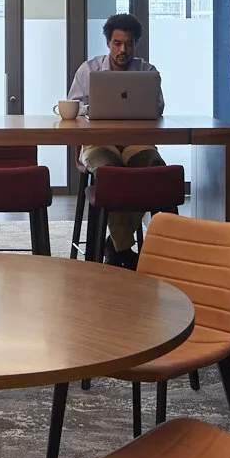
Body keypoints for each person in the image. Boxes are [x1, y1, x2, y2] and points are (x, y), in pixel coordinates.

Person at [66, 13, 164, 267]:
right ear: (108, 43)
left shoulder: (147, 72)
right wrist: (95, 107)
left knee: (152, 170)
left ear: (135, 44)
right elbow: (74, 106)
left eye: (129, 44)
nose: (124, 50)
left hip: (137, 142)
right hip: (99, 142)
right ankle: (122, 246)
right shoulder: (89, 70)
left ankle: (116, 244)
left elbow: (159, 108)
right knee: (112, 174)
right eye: (118, 43)